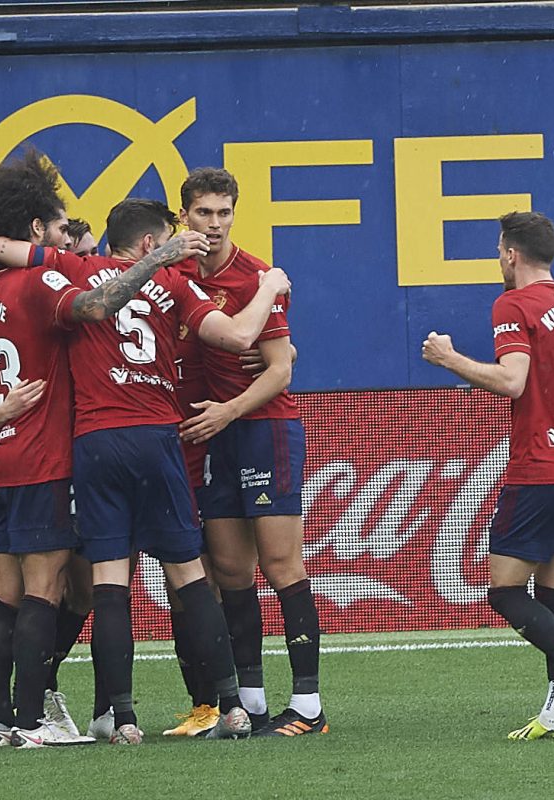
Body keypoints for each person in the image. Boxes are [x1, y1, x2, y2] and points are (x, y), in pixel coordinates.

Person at [0, 196, 289, 743]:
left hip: (95, 441)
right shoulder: (173, 283)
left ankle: (121, 719)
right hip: (154, 434)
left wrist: (48, 249)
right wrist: (268, 286)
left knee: (109, 581)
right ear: (151, 244)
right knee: (189, 574)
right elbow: (240, 338)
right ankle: (233, 705)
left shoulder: (74, 268)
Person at [0, 151, 211, 748]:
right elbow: (97, 305)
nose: (72, 234)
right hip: (45, 451)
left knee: (4, 589)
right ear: (36, 228)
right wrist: (161, 256)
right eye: (60, 223)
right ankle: (31, 721)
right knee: (49, 588)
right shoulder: (46, 280)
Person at [421, 211, 554, 739]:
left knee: (504, 591)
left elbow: (512, 381)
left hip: (541, 470)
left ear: (511, 253)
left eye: (499, 251)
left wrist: (449, 358)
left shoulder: (513, 304)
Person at [176, 167, 326, 737]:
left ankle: (309, 706)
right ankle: (254, 704)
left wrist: (228, 410)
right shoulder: (175, 276)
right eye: (203, 213)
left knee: (282, 564)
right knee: (232, 571)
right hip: (216, 434)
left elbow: (281, 368)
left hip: (263, 428)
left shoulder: (255, 275)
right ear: (184, 215)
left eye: (223, 213)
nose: (214, 225)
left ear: (234, 214)